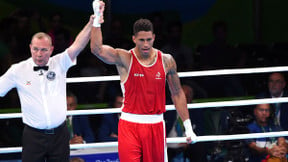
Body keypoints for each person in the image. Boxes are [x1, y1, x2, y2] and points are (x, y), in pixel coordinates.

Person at [90, 1, 197, 161]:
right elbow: (96, 49)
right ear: (134, 39)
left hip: (156, 125)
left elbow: (177, 92)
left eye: (148, 39)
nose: (145, 44)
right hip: (129, 124)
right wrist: (97, 19)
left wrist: (187, 126)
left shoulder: (167, 61)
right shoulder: (125, 58)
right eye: (141, 40)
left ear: (154, 37)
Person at [0, 15, 99, 161]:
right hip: (33, 136)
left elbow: (78, 45)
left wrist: (91, 23)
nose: (39, 54)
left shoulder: (60, 62)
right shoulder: (18, 70)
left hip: (59, 134)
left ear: (51, 49)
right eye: (36, 49)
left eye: (44, 50)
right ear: (30, 48)